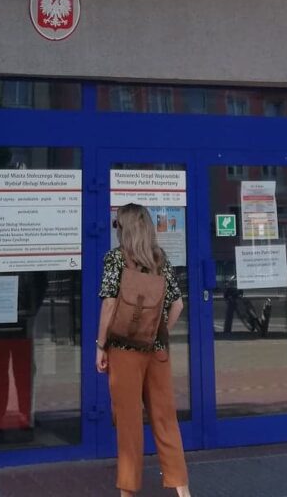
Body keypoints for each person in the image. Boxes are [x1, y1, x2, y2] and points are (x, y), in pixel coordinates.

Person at [96, 204, 192, 496]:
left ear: (123, 229)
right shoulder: (160, 259)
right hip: (157, 350)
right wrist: (159, 331)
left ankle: (128, 492)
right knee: (165, 419)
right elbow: (177, 304)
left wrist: (100, 346)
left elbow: (110, 304)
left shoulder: (115, 259)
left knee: (129, 422)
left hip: (124, 351)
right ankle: (183, 491)